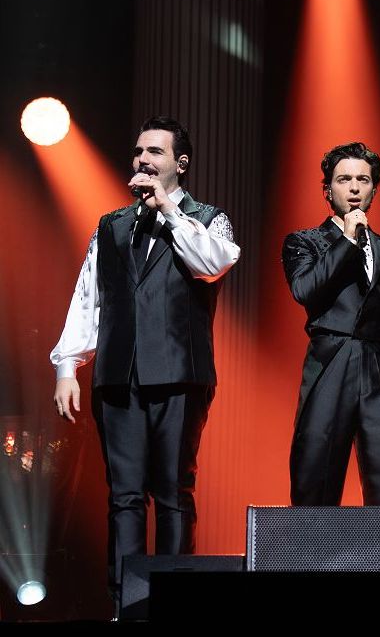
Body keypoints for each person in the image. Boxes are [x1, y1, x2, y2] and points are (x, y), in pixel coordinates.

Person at [50, 116, 240, 611]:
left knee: (174, 492)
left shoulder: (207, 219)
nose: (143, 160)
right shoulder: (111, 224)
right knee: (124, 496)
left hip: (179, 375)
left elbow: (212, 264)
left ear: (180, 163)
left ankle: (173, 603)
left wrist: (170, 211)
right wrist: (68, 367)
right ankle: (126, 605)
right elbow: (89, 297)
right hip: (118, 377)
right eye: (139, 152)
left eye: (155, 152)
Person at [281, 141, 380, 506]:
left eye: (363, 180)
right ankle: (312, 546)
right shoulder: (305, 242)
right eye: (344, 179)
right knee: (315, 481)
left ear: (374, 190)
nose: (353, 188)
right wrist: (347, 240)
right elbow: (304, 289)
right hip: (330, 363)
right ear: (327, 190)